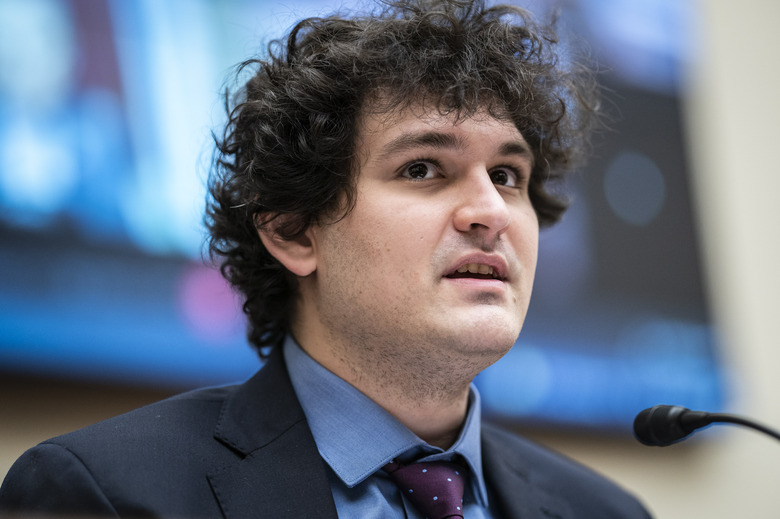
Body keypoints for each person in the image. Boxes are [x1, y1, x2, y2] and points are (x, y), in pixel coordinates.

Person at [0, 0, 652, 517]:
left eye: (509, 175)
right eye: (424, 167)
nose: (492, 211)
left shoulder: (607, 510)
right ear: (293, 229)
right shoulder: (106, 493)